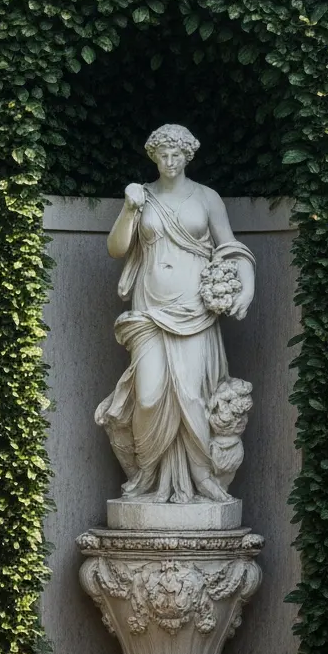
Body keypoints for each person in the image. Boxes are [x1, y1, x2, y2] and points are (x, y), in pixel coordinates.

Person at [96, 124, 254, 504]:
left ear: (187, 156)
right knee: (149, 396)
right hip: (149, 310)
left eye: (176, 154)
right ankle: (148, 477)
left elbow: (230, 247)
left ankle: (203, 478)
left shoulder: (207, 198)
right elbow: (117, 249)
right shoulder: (143, 197)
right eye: (163, 155)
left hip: (196, 311)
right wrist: (129, 207)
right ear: (154, 158)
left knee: (193, 395)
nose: (169, 160)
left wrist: (244, 289)